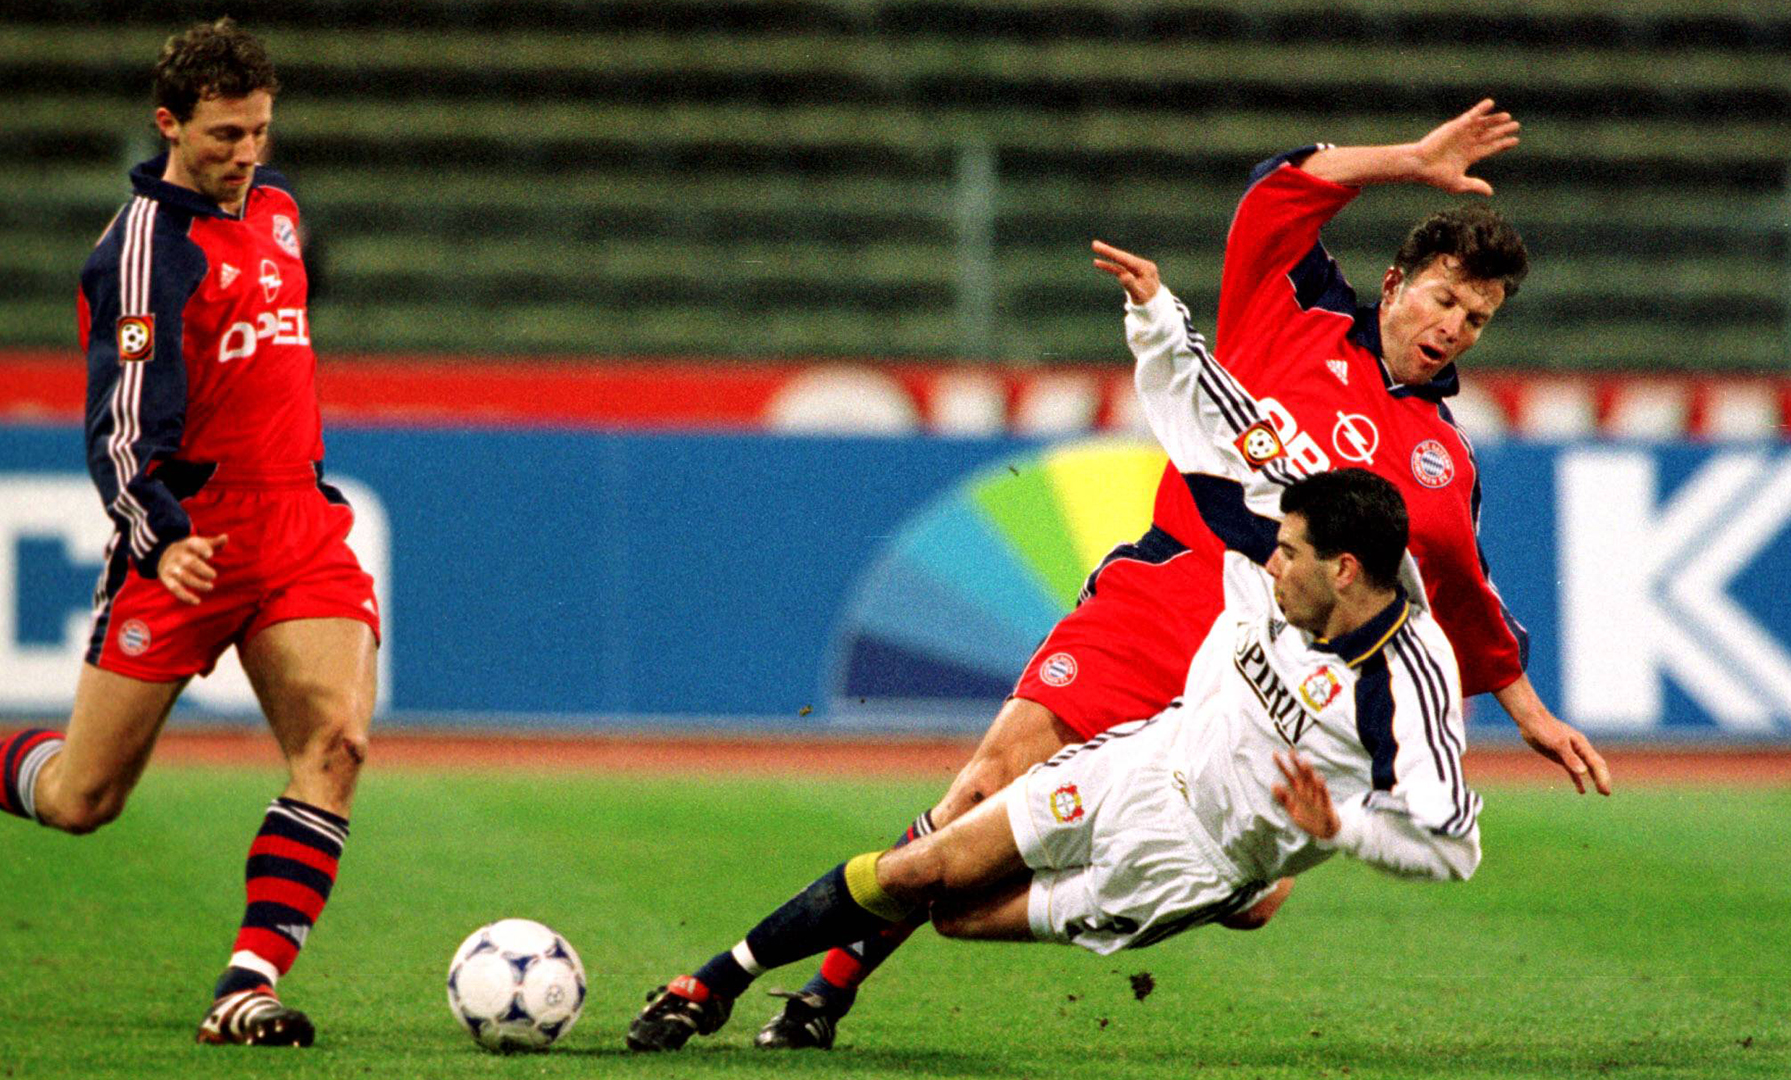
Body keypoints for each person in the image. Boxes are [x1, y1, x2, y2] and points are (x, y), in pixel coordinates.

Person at [746, 100, 1612, 1051]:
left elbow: (1459, 591)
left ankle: (1183, 883)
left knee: (1229, 901)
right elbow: (1277, 193)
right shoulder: (1295, 312)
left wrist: (1529, 710)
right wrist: (1407, 159)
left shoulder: (1447, 460)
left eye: (1479, 319)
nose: (1456, 327)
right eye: (1445, 299)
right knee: (981, 787)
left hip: (1261, 675)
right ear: (1397, 282)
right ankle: (820, 996)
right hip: (1160, 604)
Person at [0, 19, 379, 1048]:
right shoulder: (142, 254)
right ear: (169, 125)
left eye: (261, 131)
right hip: (188, 538)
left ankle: (246, 985)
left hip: (295, 519)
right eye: (227, 134)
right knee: (80, 798)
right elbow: (113, 425)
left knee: (336, 746)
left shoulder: (278, 208)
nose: (247, 155)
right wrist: (157, 533)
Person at [627, 467, 1480, 1052]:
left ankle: (1250, 875)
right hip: (1147, 748)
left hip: (1183, 857)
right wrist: (1153, 317)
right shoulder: (1266, 549)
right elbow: (1200, 402)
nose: (1270, 559)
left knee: (959, 916)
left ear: (1345, 567)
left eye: (1289, 552)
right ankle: (717, 986)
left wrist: (1348, 829)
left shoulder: (1399, 677)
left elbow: (1449, 840)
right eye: (1449, 297)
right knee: (932, 863)